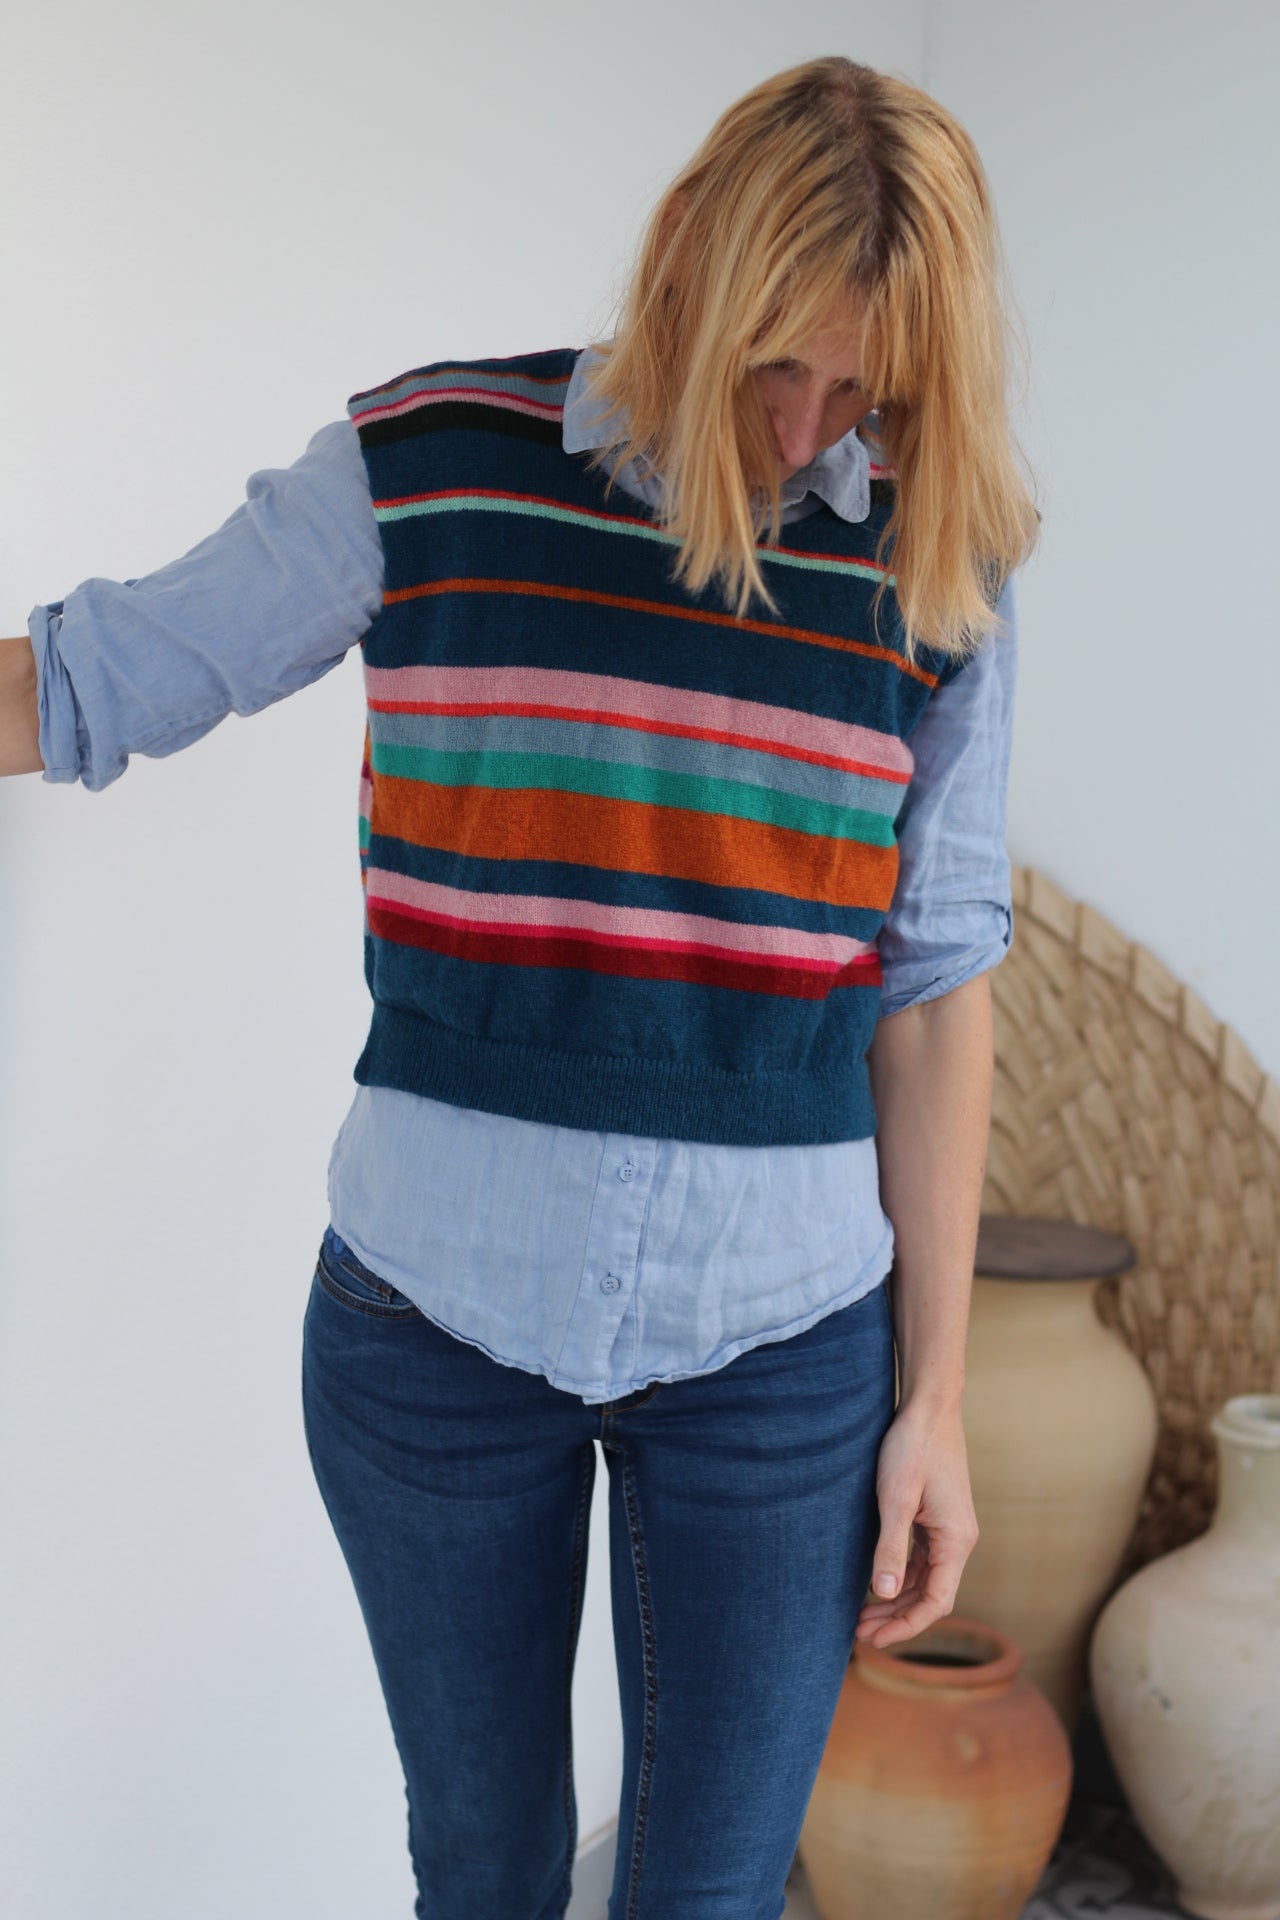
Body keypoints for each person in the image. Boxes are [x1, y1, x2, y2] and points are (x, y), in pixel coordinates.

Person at [1, 53, 1037, 1920]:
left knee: (706, 1895)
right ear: (684, 274)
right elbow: (97, 681)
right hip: (432, 1337)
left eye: (859, 387)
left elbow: (937, 981)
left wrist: (938, 1405)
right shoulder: (433, 461)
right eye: (768, 366)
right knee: (479, 1870)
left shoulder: (934, 555)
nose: (807, 429)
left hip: (783, 1355)